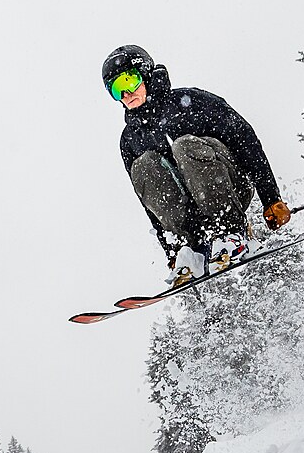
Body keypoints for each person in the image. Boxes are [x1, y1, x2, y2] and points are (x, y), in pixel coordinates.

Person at [101, 45, 292, 285]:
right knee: (143, 167)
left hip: (230, 187)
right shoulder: (130, 140)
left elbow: (244, 139)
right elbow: (148, 202)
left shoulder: (190, 102)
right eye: (116, 89)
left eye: (128, 81)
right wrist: (171, 251)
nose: (126, 93)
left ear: (146, 74)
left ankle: (232, 232)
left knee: (183, 146)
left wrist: (270, 198)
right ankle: (190, 251)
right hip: (191, 212)